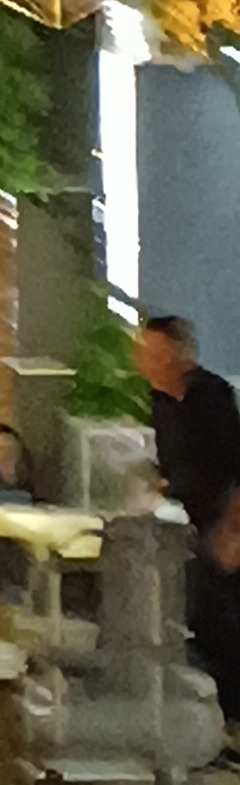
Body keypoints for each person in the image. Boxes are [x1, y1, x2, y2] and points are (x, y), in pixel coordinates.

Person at [131, 312, 240, 735]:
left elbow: (236, 470)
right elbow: (175, 467)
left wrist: (232, 533)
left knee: (228, 627)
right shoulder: (160, 402)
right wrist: (152, 491)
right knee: (199, 623)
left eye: (155, 353)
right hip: (191, 529)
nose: (147, 361)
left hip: (225, 524)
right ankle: (214, 724)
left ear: (179, 353)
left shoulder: (212, 397)